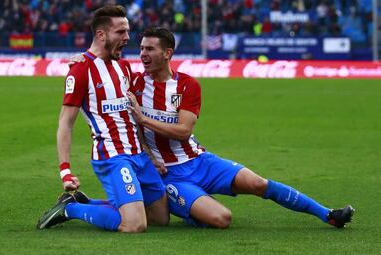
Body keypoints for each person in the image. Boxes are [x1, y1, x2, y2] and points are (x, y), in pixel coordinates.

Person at [125, 27, 355, 229]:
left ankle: (328, 215)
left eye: (150, 49)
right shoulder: (133, 83)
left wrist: (144, 119)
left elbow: (184, 130)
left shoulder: (187, 85)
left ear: (167, 53)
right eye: (142, 48)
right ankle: (194, 208)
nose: (143, 54)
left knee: (258, 183)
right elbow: (131, 127)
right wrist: (147, 154)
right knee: (222, 219)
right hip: (170, 174)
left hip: (200, 161)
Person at [36, 5, 169, 233]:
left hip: (137, 154)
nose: (127, 37)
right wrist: (65, 170)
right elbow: (65, 123)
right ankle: (70, 210)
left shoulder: (124, 67)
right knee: (135, 224)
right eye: (121, 32)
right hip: (112, 156)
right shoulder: (80, 70)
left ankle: (82, 202)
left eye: (127, 31)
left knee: (159, 217)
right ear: (101, 34)